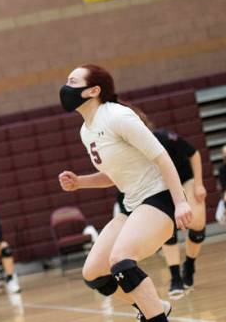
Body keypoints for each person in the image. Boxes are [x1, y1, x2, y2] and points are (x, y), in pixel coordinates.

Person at [57, 65, 191, 322]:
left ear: (93, 90)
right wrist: (80, 182)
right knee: (94, 273)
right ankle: (154, 307)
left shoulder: (118, 116)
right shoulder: (86, 131)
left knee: (121, 260)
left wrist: (181, 203)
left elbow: (162, 157)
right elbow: (114, 175)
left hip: (159, 198)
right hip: (132, 205)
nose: (66, 88)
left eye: (73, 81)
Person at [126, 108, 207, 297]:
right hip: (162, 186)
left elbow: (194, 153)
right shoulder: (130, 151)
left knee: (197, 225)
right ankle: (175, 277)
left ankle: (190, 265)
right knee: (167, 226)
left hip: (185, 179)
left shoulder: (163, 137)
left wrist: (199, 184)